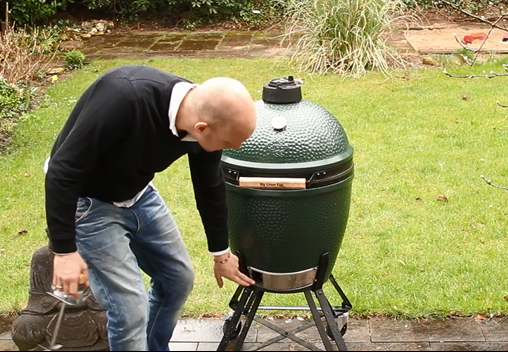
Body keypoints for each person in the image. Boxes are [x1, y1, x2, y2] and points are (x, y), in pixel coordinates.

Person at [43, 64, 257, 351]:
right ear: (201, 128)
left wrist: (220, 253)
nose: (232, 148)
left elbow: (209, 186)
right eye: (228, 143)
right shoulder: (123, 97)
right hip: (87, 201)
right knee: (130, 310)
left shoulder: (204, 116)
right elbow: (62, 170)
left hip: (137, 192)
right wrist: (65, 251)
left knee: (177, 280)